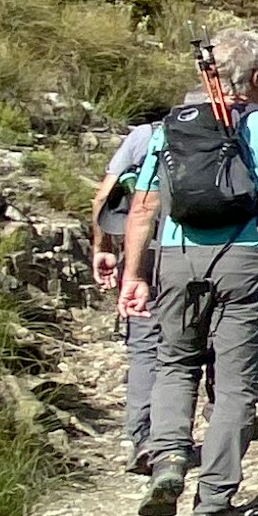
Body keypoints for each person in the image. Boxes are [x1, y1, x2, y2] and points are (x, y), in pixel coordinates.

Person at [118, 30, 258, 516]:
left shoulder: (172, 128)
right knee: (235, 386)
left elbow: (143, 208)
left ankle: (167, 461)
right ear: (254, 78)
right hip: (248, 264)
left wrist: (134, 275)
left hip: (178, 259)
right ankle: (213, 502)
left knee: (174, 363)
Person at [88, 105, 170, 473]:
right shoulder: (231, 129)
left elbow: (102, 197)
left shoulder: (144, 135)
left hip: (144, 251)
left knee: (145, 346)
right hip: (207, 250)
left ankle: (145, 439)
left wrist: (102, 246)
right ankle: (217, 427)